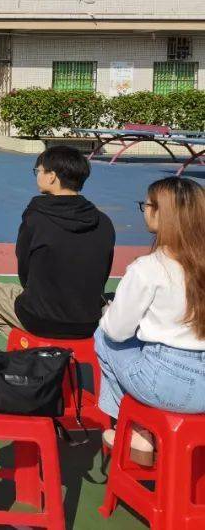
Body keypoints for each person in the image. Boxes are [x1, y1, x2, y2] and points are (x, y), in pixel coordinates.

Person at [95, 177, 205, 465]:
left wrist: (109, 314)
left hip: (165, 381)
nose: (144, 210)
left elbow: (116, 332)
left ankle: (133, 428)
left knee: (103, 336)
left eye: (146, 204)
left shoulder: (148, 268)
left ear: (160, 213)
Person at [0, 145, 115, 338]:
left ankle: (29, 348)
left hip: (40, 320)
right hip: (88, 322)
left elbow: (25, 272)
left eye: (39, 171)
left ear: (52, 176)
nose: (37, 176)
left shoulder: (36, 218)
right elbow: (102, 274)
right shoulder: (104, 221)